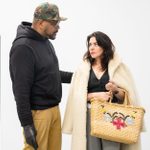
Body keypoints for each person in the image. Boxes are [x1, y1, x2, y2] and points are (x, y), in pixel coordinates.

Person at [62, 31, 143, 150]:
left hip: (112, 116)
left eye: (96, 44)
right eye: (90, 44)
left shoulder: (118, 68)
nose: (92, 47)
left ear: (104, 46)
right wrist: (95, 95)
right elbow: (76, 96)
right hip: (89, 116)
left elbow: (127, 98)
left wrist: (115, 90)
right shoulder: (82, 69)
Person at [9, 2, 73, 150]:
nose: (58, 27)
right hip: (38, 116)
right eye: (55, 23)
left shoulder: (45, 41)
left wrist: (79, 77)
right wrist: (26, 125)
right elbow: (20, 91)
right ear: (41, 22)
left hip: (54, 111)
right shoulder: (23, 47)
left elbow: (50, 74)